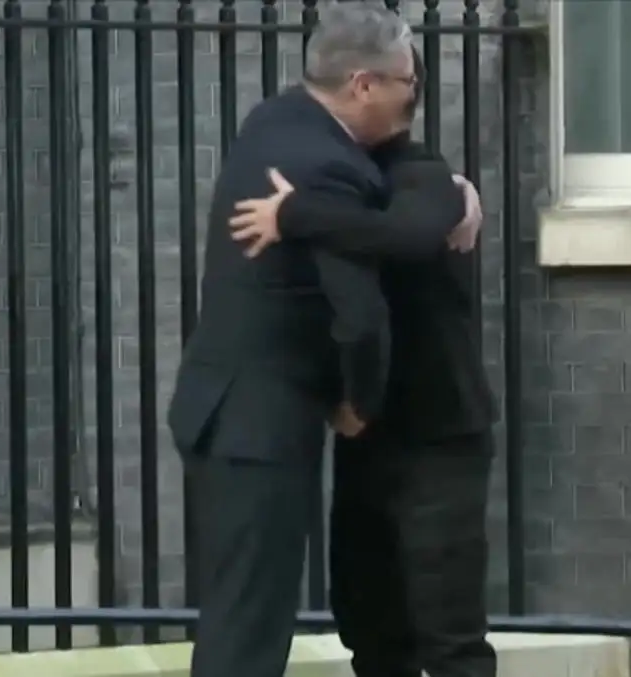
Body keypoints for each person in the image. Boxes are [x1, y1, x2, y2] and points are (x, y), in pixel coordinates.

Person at [165, 6, 473, 677]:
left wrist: (455, 190)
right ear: (362, 84)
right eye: (404, 81)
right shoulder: (336, 168)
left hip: (216, 409)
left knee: (232, 610)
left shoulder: (271, 122)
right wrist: (359, 401)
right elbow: (361, 319)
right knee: (250, 630)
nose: (411, 95)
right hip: (262, 427)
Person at [227, 49, 498, 677]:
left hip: (438, 435)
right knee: (369, 622)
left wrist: (293, 214)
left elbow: (406, 236)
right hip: (366, 431)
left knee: (449, 633)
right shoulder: (335, 173)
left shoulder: (424, 175)